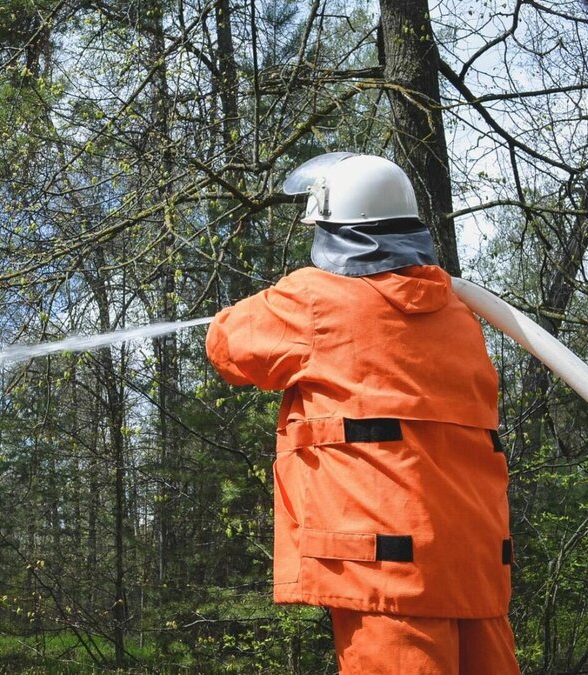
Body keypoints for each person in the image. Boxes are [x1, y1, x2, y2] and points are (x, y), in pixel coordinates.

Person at [205, 153, 521, 674]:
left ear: (334, 231)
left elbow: (227, 346)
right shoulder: (461, 317)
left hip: (387, 577)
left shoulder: (314, 299)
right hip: (474, 567)